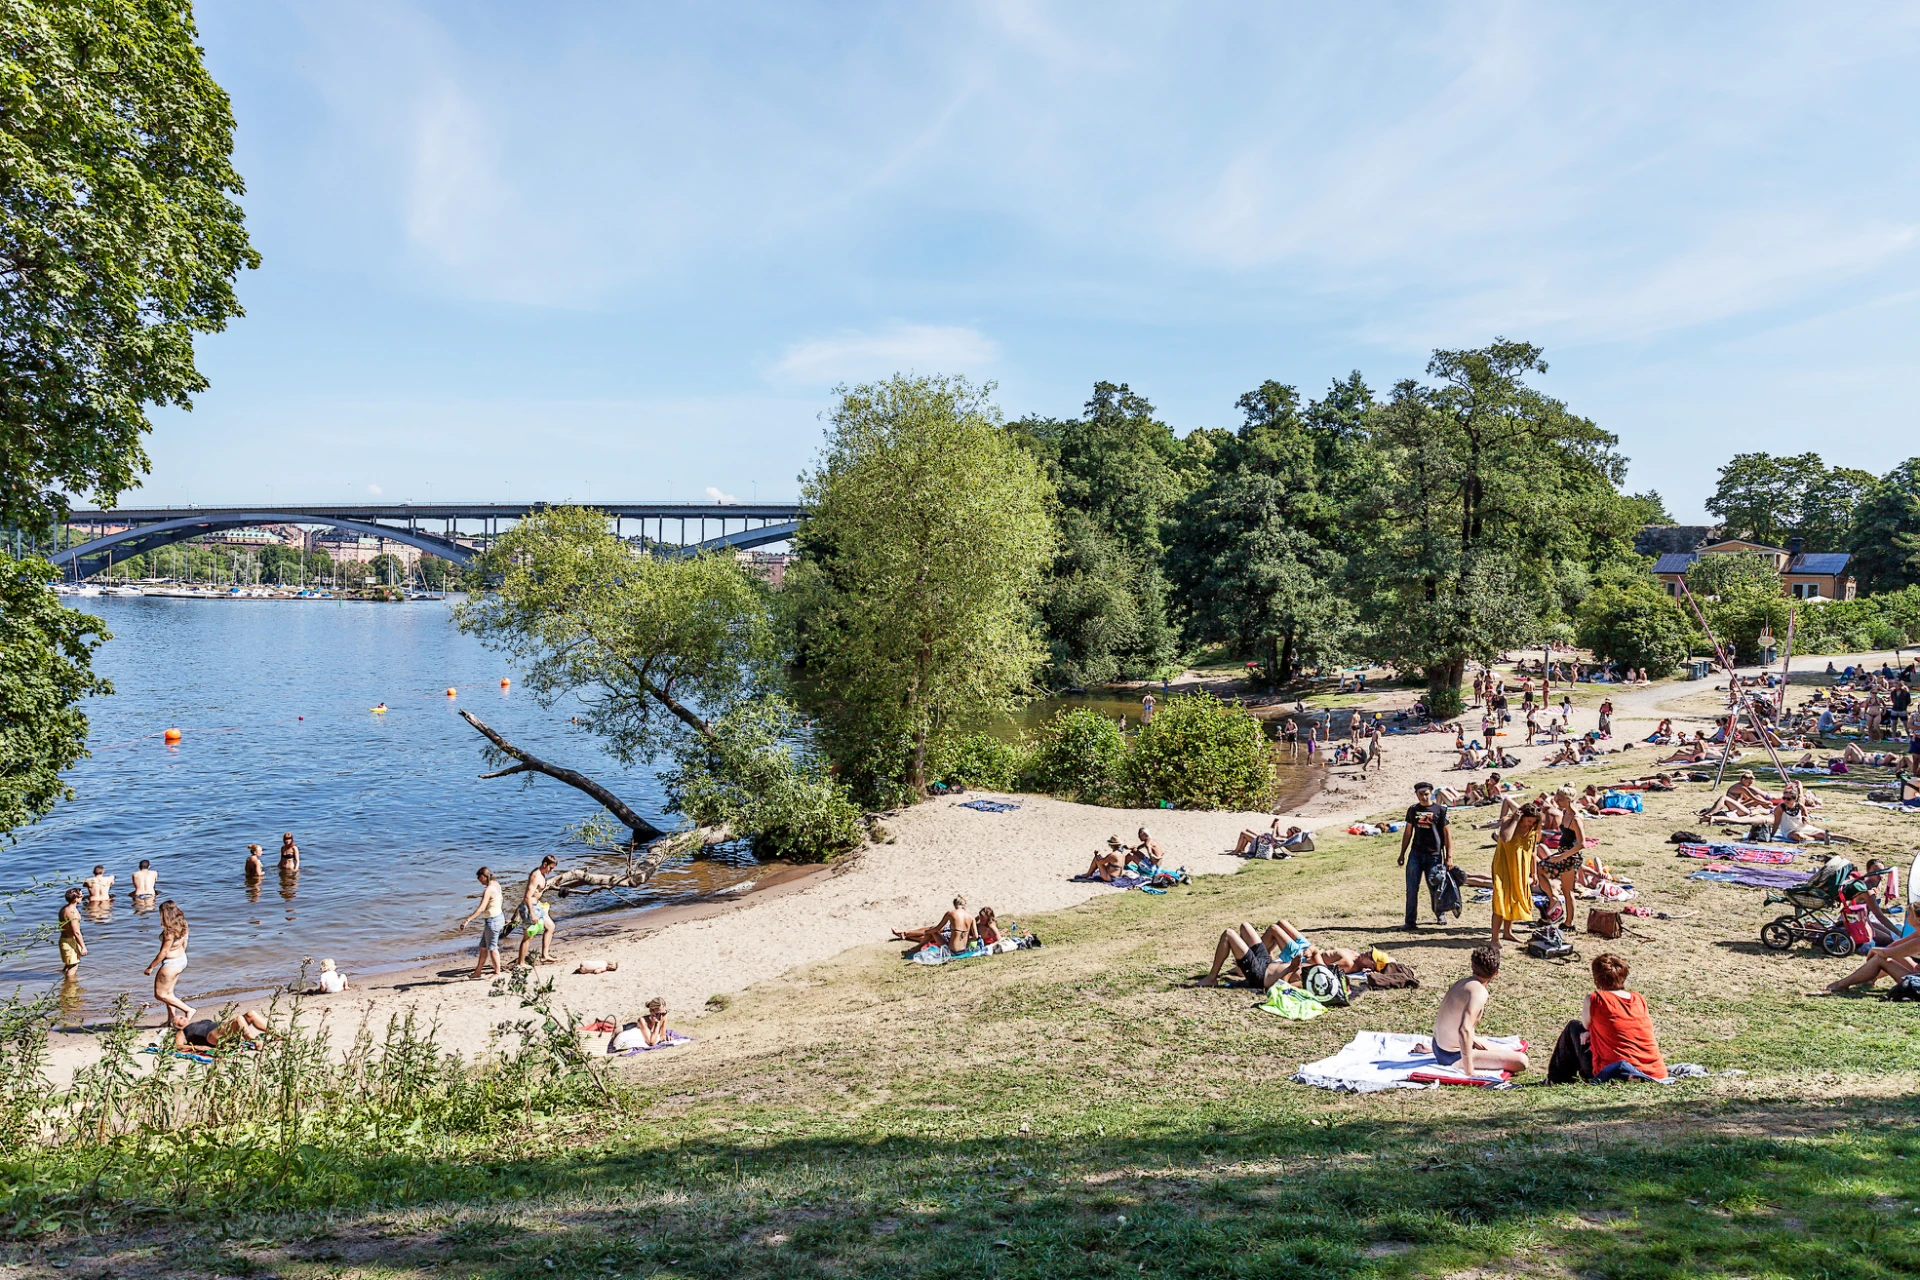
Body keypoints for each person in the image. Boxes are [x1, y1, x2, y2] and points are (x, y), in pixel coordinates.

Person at [1551, 954, 1668, 1083]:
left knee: (1573, 1027)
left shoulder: (1595, 999)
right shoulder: (1638, 999)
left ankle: (1557, 1079)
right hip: (1655, 1071)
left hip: (1613, 1070)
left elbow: (1585, 1026)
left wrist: (1590, 1032)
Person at [1422, 945, 1529, 1077]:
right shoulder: (1478, 992)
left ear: (1473, 966)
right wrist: (1469, 1071)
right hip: (1451, 1056)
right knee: (1521, 1060)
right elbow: (1464, 1030)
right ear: (1496, 973)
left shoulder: (1462, 983)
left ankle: (1434, 1051)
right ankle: (1463, 1060)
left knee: (1502, 1050)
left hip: (1438, 1046)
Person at [1396, 782, 1453, 930]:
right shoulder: (1413, 810)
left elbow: (1447, 835)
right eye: (1421, 794)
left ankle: (1440, 914)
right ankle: (1410, 921)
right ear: (1416, 794)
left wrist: (1449, 857)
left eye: (1426, 793)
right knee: (1411, 888)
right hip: (1415, 854)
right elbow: (1408, 832)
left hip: (1434, 855)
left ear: (1431, 793)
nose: (1424, 796)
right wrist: (1402, 853)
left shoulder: (1440, 810)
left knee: (1435, 887)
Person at [1489, 799, 1540, 947]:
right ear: (1521, 816)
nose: (1530, 824)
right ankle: (1494, 938)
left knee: (1514, 898)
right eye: (1528, 820)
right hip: (1503, 866)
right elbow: (1506, 838)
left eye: (1533, 822)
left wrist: (1534, 873)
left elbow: (1533, 852)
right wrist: (1515, 820)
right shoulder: (1508, 821)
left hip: (1520, 869)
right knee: (1501, 899)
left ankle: (1507, 932)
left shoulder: (1533, 829)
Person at [1813, 927, 1920, 995]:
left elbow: (1887, 953)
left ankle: (1840, 985)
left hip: (1917, 983)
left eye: (1910, 914)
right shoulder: (1918, 933)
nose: (1907, 916)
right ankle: (1870, 978)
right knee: (1892, 956)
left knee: (1880, 959)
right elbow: (1894, 946)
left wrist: (1873, 950)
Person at [1537, 789, 1587, 925]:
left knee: (1567, 891)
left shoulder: (1576, 819)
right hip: (1562, 854)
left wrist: (1561, 857)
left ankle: (1569, 923)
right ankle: (1553, 899)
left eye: (1559, 799)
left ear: (1568, 800)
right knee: (1539, 869)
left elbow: (1582, 844)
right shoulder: (1565, 813)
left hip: (1570, 858)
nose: (1556, 801)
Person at [1202, 920, 1294, 990]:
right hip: (1267, 963)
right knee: (1245, 926)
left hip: (1260, 975)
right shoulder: (1307, 966)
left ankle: (1211, 978)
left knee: (1228, 934)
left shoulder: (1306, 978)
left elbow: (1287, 987)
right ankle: (1241, 969)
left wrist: (1293, 967)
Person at [144, 899, 193, 1024]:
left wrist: (151, 966)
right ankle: (171, 1019)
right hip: (181, 959)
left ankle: (188, 1010)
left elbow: (164, 952)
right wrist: (180, 955)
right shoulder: (183, 925)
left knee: (160, 994)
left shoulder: (169, 932)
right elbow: (185, 941)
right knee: (169, 993)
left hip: (171, 963)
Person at [514, 854, 559, 967]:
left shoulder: (543, 875)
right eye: (551, 868)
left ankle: (545, 955)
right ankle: (521, 963)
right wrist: (533, 914)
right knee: (528, 937)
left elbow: (538, 891)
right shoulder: (536, 876)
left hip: (538, 906)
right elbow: (527, 897)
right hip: (529, 908)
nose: (551, 871)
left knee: (550, 926)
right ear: (545, 864)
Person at [461, 866, 506, 978]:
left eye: (479, 878)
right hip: (498, 917)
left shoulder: (488, 890)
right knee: (483, 947)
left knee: (492, 948)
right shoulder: (496, 884)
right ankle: (478, 972)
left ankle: (497, 973)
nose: (478, 880)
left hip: (493, 921)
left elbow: (481, 909)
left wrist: (467, 920)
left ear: (483, 876)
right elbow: (501, 899)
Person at [892, 895, 974, 952]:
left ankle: (917, 947)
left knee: (932, 930)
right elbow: (976, 936)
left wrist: (927, 932)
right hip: (962, 950)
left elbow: (937, 929)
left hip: (951, 950)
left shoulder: (950, 913)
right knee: (932, 931)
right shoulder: (971, 916)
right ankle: (907, 935)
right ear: (964, 904)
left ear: (955, 904)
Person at [173, 1008, 270, 1051]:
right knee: (238, 1019)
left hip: (223, 1031)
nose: (183, 1017)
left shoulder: (197, 1022)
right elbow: (178, 1046)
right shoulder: (181, 1032)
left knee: (250, 1014)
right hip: (210, 1037)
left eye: (182, 1016)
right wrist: (197, 1047)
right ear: (177, 1026)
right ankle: (254, 1041)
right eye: (180, 1019)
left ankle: (276, 1034)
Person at [58, 887, 86, 980]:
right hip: (69, 941)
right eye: (81, 896)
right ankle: (70, 987)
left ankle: (64, 983)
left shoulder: (64, 909)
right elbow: (76, 932)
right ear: (75, 899)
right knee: (73, 965)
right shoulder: (72, 913)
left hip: (65, 939)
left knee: (68, 964)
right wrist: (83, 947)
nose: (82, 897)